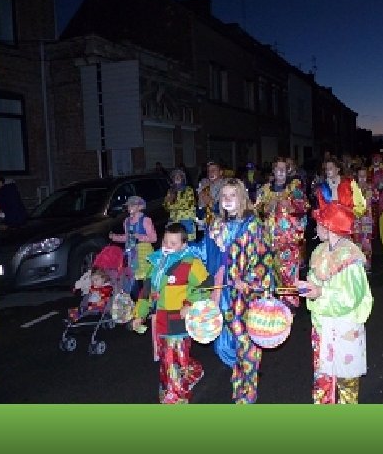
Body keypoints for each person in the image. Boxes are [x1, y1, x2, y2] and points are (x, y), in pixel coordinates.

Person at [200, 178, 276, 403]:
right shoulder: (216, 225)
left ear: (242, 198)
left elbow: (264, 258)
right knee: (229, 343)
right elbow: (205, 252)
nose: (227, 199)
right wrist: (180, 250)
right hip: (223, 292)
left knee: (247, 344)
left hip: (246, 295)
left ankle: (248, 394)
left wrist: (249, 281)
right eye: (224, 195)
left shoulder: (253, 225)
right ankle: (238, 386)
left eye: (232, 195)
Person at [297, 201, 373, 404]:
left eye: (319, 223)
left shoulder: (350, 258)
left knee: (346, 378)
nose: (316, 227)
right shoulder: (320, 251)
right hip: (322, 325)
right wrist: (308, 288)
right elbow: (315, 281)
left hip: (344, 327)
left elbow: (351, 297)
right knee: (322, 374)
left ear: (328, 227)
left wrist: (320, 292)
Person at [131, 223, 213, 403]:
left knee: (176, 360)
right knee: (167, 359)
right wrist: (139, 315)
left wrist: (189, 304)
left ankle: (177, 398)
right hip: (161, 321)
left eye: (173, 243)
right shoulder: (156, 263)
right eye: (165, 241)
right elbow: (146, 292)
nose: (167, 246)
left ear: (183, 245)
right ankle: (176, 388)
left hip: (179, 321)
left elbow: (206, 285)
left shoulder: (191, 263)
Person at [255, 157, 310, 308]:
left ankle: (289, 306)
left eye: (283, 169)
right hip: (268, 240)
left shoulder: (294, 188)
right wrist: (266, 207)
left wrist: (290, 204)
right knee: (270, 272)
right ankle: (272, 305)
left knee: (288, 273)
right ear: (273, 170)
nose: (280, 171)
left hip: (288, 241)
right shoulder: (265, 189)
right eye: (277, 168)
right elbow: (256, 211)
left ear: (287, 171)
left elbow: (305, 206)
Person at [109, 196, 157, 305]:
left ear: (140, 207)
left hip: (144, 252)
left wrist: (139, 236)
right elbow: (127, 237)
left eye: (133, 205)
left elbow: (153, 238)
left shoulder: (145, 220)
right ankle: (135, 303)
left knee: (146, 278)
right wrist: (115, 237)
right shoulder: (126, 221)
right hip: (131, 252)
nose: (130, 207)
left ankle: (148, 304)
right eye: (129, 205)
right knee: (131, 278)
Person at [314, 157, 367, 223]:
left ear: (337, 169)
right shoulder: (322, 188)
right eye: (326, 169)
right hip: (330, 223)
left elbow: (359, 202)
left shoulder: (349, 183)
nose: (328, 171)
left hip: (346, 222)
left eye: (330, 168)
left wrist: (354, 214)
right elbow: (321, 208)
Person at [353, 166, 378, 270]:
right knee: (356, 241)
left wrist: (369, 191)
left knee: (366, 241)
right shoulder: (352, 188)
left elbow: (376, 198)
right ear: (357, 176)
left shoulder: (370, 187)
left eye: (364, 175)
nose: (362, 177)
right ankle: (357, 264)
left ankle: (367, 264)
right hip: (355, 220)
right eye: (360, 175)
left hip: (367, 220)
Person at [164, 168, 197, 242]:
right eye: (175, 176)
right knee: (176, 242)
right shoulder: (170, 191)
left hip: (186, 219)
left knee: (188, 242)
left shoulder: (188, 190)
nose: (177, 178)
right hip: (174, 220)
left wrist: (172, 205)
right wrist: (168, 203)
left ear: (183, 178)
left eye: (179, 176)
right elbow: (166, 206)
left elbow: (187, 204)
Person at [196, 161, 225, 231]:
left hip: (220, 223)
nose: (210, 173)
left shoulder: (225, 185)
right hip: (205, 221)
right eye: (209, 171)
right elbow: (200, 206)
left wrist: (212, 203)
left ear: (220, 172)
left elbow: (225, 208)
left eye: (213, 170)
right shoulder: (204, 184)